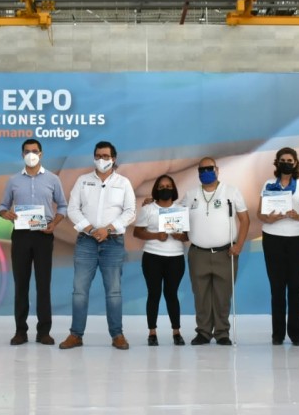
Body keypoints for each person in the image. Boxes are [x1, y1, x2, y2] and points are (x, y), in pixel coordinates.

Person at [60, 142, 137, 351]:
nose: (102, 160)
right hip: (86, 241)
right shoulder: (82, 181)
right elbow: (73, 209)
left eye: (106, 156)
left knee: (114, 291)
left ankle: (117, 335)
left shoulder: (123, 183)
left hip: (113, 242)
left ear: (114, 158)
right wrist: (91, 229)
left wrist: (108, 229)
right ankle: (75, 335)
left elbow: (130, 212)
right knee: (79, 290)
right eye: (98, 156)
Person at [0, 140, 68, 347]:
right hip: (20, 234)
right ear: (22, 154)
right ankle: (20, 331)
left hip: (43, 235)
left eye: (35, 151)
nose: (31, 154)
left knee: (43, 284)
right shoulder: (13, 181)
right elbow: (2, 206)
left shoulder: (53, 179)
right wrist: (5, 213)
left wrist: (54, 224)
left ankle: (44, 332)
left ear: (41, 154)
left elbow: (62, 206)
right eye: (27, 151)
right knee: (21, 285)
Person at [183, 158, 250, 346]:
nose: (206, 172)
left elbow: (245, 220)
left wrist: (239, 245)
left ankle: (222, 333)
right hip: (198, 253)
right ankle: (203, 332)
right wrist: (153, 203)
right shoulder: (190, 195)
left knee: (223, 295)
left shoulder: (231, 192)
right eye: (202, 170)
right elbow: (175, 216)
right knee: (201, 295)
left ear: (217, 170)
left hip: (225, 253)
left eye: (209, 168)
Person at [257, 148, 299, 347]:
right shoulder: (268, 184)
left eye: (290, 160)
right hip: (272, 239)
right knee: (277, 288)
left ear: (296, 163)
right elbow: (259, 213)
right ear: (277, 162)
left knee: (296, 288)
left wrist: (298, 216)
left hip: (297, 239)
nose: (286, 163)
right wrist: (269, 218)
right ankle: (278, 334)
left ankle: (296, 333)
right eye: (283, 160)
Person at [133, 175, 189, 347]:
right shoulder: (148, 209)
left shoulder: (180, 209)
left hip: (175, 258)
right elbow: (137, 232)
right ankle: (152, 333)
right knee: (154, 294)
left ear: (174, 189)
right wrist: (156, 235)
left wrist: (178, 235)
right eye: (162, 186)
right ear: (156, 189)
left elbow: (186, 236)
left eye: (168, 186)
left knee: (172, 294)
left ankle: (176, 332)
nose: (165, 189)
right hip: (152, 257)